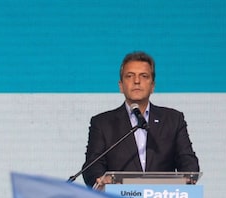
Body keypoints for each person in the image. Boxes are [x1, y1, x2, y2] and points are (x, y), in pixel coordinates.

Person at [81, 51, 200, 188]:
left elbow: (187, 161)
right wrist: (101, 179)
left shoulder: (173, 120)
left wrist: (188, 177)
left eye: (144, 76)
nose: (137, 81)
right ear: (121, 85)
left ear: (153, 86)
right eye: (130, 76)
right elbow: (92, 166)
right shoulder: (102, 123)